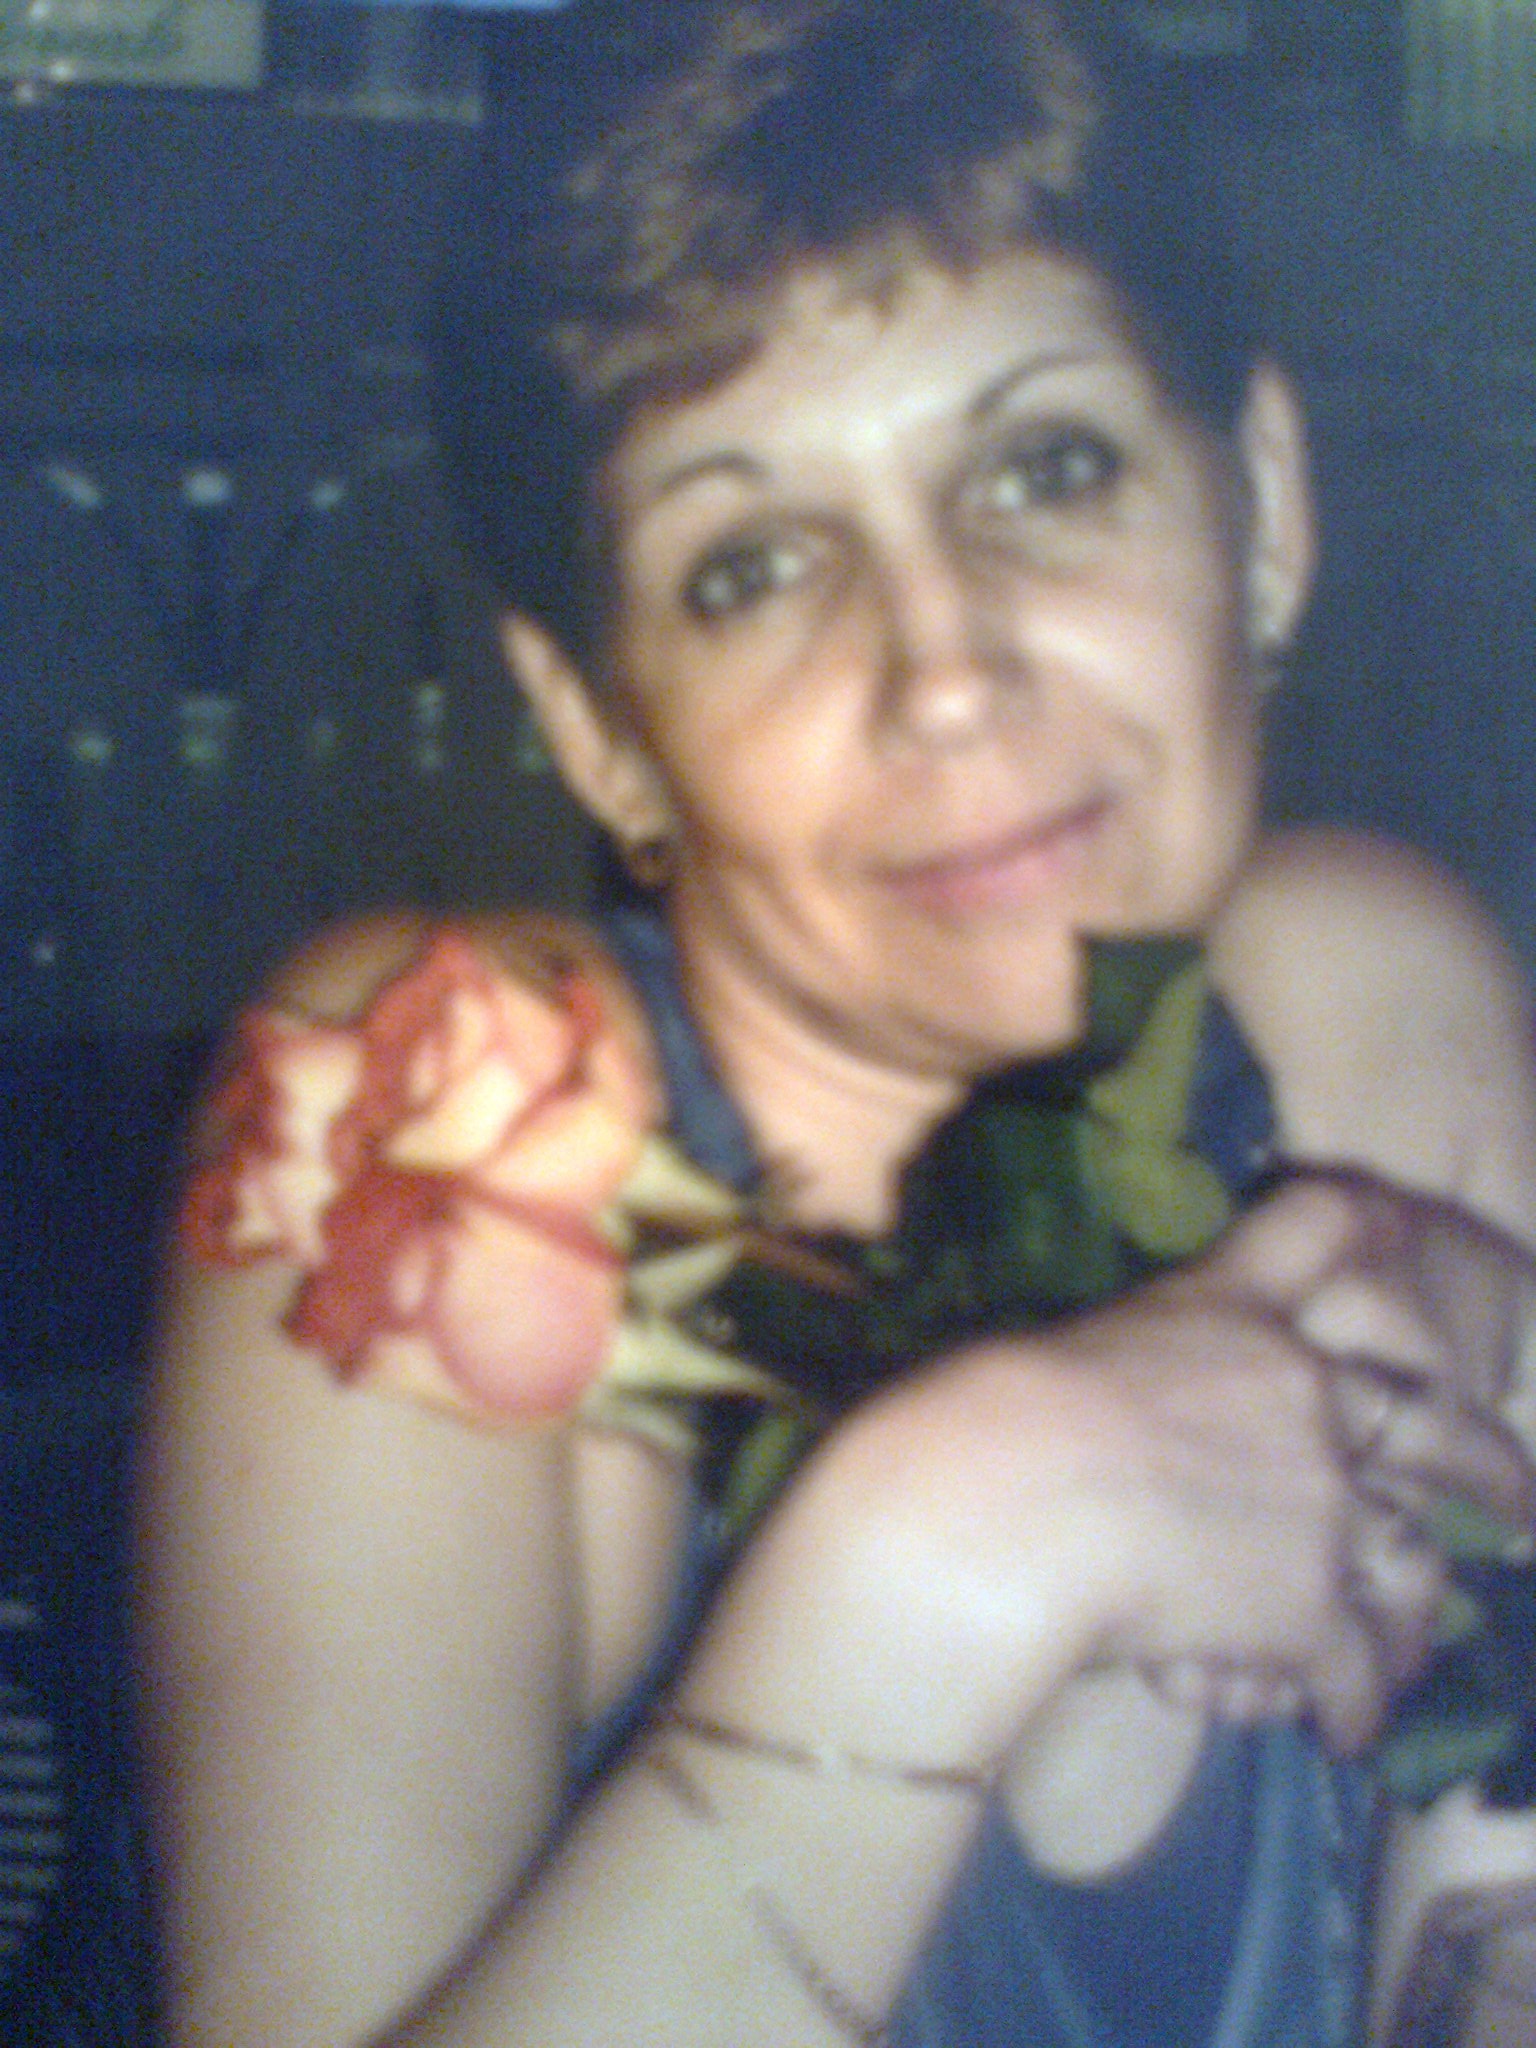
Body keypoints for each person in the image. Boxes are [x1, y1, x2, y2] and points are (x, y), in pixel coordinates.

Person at [137, 4, 1536, 2043]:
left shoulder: (1363, 1007)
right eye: (752, 566)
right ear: (604, 732)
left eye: (1046, 469)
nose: (942, 666)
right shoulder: (434, 1131)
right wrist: (966, 1538)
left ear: (1264, 507)